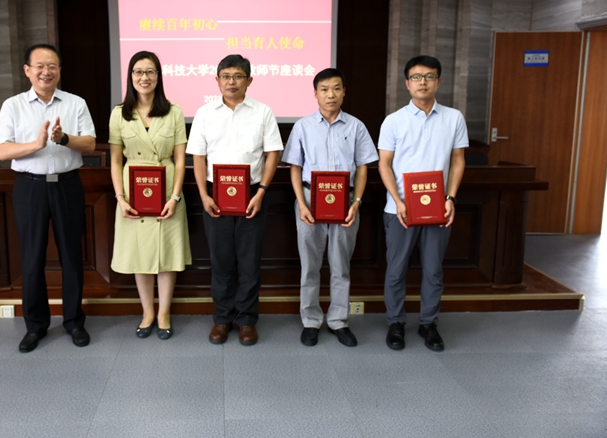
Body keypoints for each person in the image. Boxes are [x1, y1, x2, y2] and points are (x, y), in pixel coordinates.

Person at [0, 44, 97, 353]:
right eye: (39, 66)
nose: (46, 72)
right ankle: (35, 325)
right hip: (30, 187)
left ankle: (74, 321)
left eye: (52, 66)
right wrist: (36, 145)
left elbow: (90, 144)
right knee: (32, 258)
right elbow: (3, 151)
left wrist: (63, 139)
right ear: (27, 70)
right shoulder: (13, 105)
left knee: (71, 257)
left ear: (59, 71)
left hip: (67, 185)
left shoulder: (75, 103)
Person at [187, 54, 283, 346]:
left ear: (249, 80)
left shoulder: (263, 112)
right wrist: (203, 195)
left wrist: (261, 191)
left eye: (238, 76)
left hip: (253, 194)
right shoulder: (205, 113)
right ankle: (222, 318)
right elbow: (198, 157)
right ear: (217, 80)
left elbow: (273, 153)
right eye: (226, 76)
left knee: (249, 261)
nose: (232, 82)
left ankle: (247, 320)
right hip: (215, 195)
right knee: (222, 261)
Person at [281, 68, 378, 347]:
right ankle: (311, 320)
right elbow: (295, 168)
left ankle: (338, 321)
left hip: (345, 202)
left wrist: (356, 203)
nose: (330, 94)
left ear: (344, 92)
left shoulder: (356, 126)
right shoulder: (303, 126)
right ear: (315, 93)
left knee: (340, 265)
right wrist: (301, 204)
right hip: (310, 200)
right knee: (310, 266)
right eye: (324, 89)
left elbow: (363, 167)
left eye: (336, 88)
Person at [378, 55, 468, 352]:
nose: (423, 82)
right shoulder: (394, 120)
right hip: (399, 210)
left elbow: (458, 160)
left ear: (438, 82)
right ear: (407, 83)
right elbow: (384, 164)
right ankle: (396, 322)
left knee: (433, 270)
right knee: (396, 270)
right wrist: (397, 200)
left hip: (438, 209)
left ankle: (429, 324)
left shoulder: (453, 118)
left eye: (429, 76)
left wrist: (451, 197)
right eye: (416, 77)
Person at [109, 51, 192, 340]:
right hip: (132, 191)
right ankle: (147, 312)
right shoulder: (119, 113)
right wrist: (120, 197)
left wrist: (175, 197)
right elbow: (116, 160)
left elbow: (180, 160)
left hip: (167, 190)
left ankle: (164, 312)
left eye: (150, 72)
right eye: (138, 72)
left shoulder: (174, 111)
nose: (144, 77)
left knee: (167, 252)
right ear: (130, 76)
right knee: (139, 253)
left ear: (158, 76)